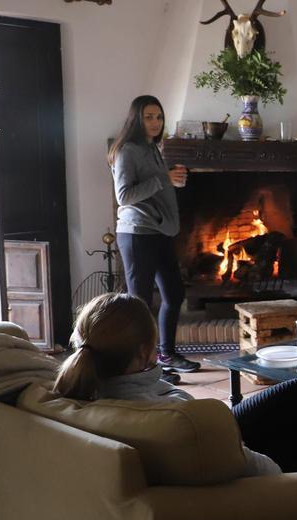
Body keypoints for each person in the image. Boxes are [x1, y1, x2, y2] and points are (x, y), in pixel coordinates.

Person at [52, 293, 297, 474]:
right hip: (238, 467)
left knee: (293, 395)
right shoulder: (178, 417)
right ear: (142, 352)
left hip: (202, 436)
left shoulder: (75, 390)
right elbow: (260, 470)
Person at [108, 95, 198, 384]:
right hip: (137, 235)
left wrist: (171, 182)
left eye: (159, 116)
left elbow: (157, 183)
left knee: (174, 295)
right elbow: (124, 196)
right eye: (149, 116)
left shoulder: (152, 148)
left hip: (159, 232)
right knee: (141, 305)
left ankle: (166, 355)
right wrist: (163, 179)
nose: (156, 122)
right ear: (136, 118)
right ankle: (142, 368)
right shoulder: (126, 151)